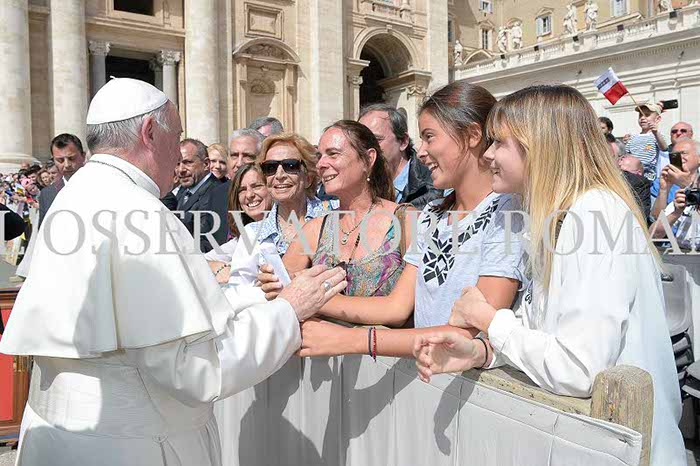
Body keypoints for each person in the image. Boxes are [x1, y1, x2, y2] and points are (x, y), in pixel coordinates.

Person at [0, 78, 346, 466]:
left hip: (55, 437)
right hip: (131, 445)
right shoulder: (141, 213)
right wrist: (287, 310)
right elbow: (195, 369)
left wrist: (256, 296)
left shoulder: (72, 195)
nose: (178, 159)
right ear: (150, 132)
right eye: (176, 137)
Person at [412, 84, 685, 466]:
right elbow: (540, 331)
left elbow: (578, 368)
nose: (488, 154)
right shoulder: (558, 217)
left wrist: (488, 320)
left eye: (499, 142)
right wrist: (481, 352)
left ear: (539, 145)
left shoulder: (594, 215)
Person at [263, 83, 525, 360]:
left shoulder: (507, 214)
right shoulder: (432, 215)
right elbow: (396, 307)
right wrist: (299, 295)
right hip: (424, 375)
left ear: (471, 135)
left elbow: (473, 335)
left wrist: (352, 338)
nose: (420, 151)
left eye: (429, 137)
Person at [279, 120, 404, 298]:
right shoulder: (315, 230)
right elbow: (283, 287)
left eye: (333, 154)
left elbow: (400, 308)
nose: (320, 164)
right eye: (319, 156)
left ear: (368, 159)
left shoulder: (404, 220)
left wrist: (313, 296)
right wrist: (273, 283)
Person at [358, 104, 442, 208]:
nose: (365, 148)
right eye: (359, 142)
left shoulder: (434, 185)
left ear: (403, 141)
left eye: (375, 140)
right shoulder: (355, 187)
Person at [205, 163, 272, 275]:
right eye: (242, 190)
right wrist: (220, 268)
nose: (249, 195)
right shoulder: (245, 237)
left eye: (256, 186)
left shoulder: (288, 229)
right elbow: (200, 261)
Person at [204, 129, 266, 247]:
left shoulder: (269, 196)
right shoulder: (217, 193)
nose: (239, 163)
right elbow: (208, 240)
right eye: (234, 155)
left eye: (248, 156)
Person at [650, 139, 700, 250]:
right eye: (674, 155)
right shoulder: (678, 192)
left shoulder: (686, 186)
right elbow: (654, 233)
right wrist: (664, 190)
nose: (678, 158)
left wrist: (688, 186)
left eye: (683, 153)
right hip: (680, 252)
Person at [176, 138, 218, 251]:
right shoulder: (183, 191)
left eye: (188, 162)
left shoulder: (216, 194)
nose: (181, 170)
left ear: (206, 164)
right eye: (177, 163)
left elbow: (206, 244)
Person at [38, 133, 86, 226]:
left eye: (71, 158)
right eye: (60, 160)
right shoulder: (47, 194)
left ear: (83, 156)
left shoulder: (101, 186)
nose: (67, 165)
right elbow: (44, 230)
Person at [652, 122, 694, 205]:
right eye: (674, 131)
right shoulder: (660, 153)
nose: (678, 133)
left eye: (683, 131)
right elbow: (657, 214)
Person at [624, 102, 668, 181]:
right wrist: (624, 143)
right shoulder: (633, 137)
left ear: (657, 119)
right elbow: (627, 154)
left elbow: (664, 148)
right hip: (631, 174)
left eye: (647, 115)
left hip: (648, 175)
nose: (642, 118)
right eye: (640, 115)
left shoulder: (657, 136)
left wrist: (656, 133)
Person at [617, 155, 652, 220]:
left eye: (625, 172)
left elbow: (642, 213)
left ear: (638, 173)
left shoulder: (640, 182)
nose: (622, 157)